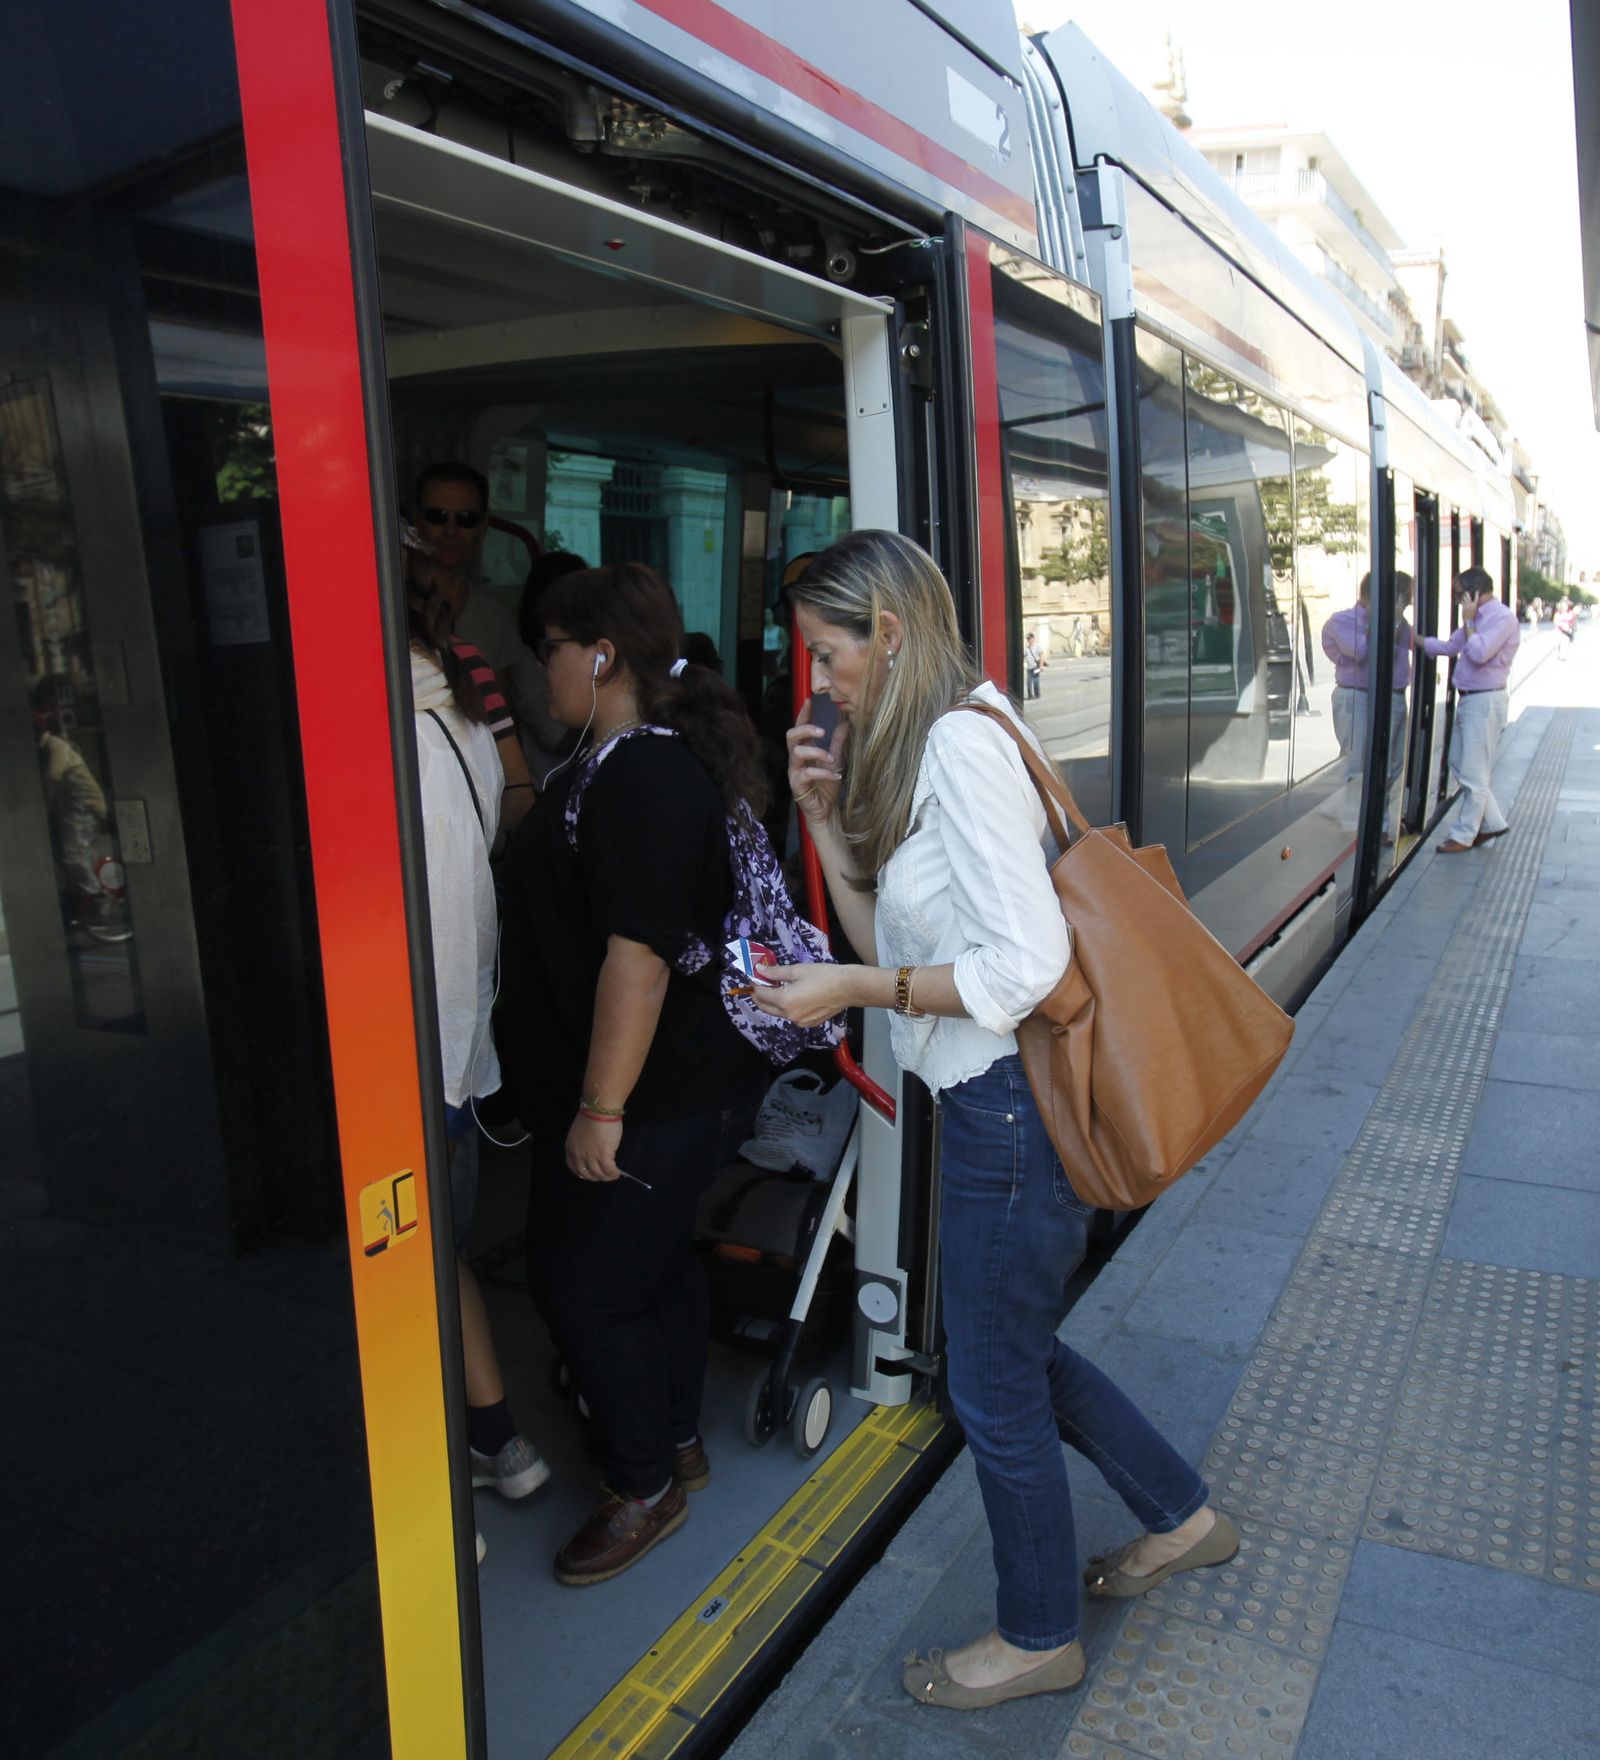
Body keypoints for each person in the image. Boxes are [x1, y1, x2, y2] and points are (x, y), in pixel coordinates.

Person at [754, 530, 1236, 1711]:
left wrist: (848, 994)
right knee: (1012, 1351)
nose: (821, 683)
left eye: (830, 653)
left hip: (1004, 1119)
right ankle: (1184, 1516)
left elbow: (1020, 966)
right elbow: (899, 946)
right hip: (982, 1104)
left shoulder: (963, 749)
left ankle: (1036, 1636)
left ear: (893, 633)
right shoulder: (946, 735)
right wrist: (820, 821)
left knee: (990, 1385)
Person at [497, 562, 771, 1586]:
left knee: (582, 1288)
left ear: (600, 653)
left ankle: (644, 1484)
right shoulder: (620, 761)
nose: (544, 671)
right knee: (652, 1268)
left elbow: (638, 957)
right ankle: (677, 1442)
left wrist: (599, 1109)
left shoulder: (646, 774)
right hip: (653, 1091)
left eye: (551, 650)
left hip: (646, 1096)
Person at [408, 568, 549, 1560]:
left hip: (414, 1050)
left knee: (403, 1264)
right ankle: (501, 1440)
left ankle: (434, 1501)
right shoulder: (460, 714)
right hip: (460, 1043)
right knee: (441, 1250)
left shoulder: (389, 729)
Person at [413, 461, 546, 741]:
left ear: (483, 525)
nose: (451, 529)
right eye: (437, 516)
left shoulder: (495, 617)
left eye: (465, 518)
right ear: (415, 520)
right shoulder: (385, 607)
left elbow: (500, 723)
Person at [1417, 566, 1520, 853]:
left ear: (1475, 593)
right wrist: (1416, 640)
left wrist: (1469, 621)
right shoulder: (1476, 618)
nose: (1457, 600)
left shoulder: (1501, 618)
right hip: (1470, 699)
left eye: (1460, 594)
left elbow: (1478, 653)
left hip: (1485, 701)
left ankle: (1464, 835)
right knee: (1458, 763)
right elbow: (1451, 647)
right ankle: (1494, 822)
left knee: (1474, 773)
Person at [1024, 630, 1046, 700]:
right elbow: (1023, 656)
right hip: (1029, 668)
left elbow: (1042, 655)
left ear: (1033, 639)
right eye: (1028, 639)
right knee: (1028, 682)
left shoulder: (1037, 646)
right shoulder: (1026, 649)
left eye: (1029, 639)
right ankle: (1030, 695)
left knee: (1036, 681)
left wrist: (1041, 665)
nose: (1029, 640)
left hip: (1036, 667)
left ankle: (1037, 695)